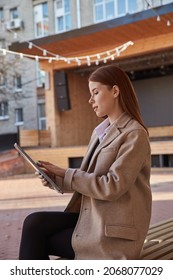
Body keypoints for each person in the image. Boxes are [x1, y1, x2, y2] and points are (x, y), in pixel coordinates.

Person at [19, 65, 152, 260]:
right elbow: (89, 180)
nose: (90, 100)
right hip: (94, 219)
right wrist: (56, 179)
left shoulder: (135, 134)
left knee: (38, 238)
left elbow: (112, 186)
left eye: (95, 92)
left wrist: (66, 174)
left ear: (115, 91)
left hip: (114, 233)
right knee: (34, 222)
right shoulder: (100, 132)